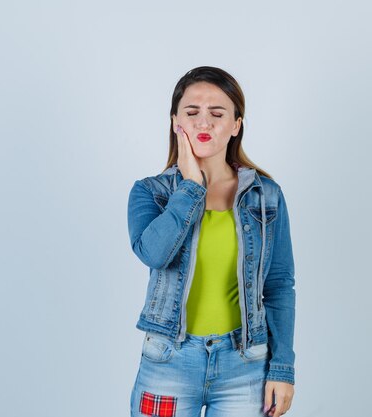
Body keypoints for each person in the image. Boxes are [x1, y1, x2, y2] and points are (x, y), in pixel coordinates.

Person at [127, 66, 296, 417]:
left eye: (217, 114)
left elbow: (279, 286)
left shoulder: (265, 195)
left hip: (246, 366)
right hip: (168, 361)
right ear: (176, 121)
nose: (204, 123)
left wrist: (282, 369)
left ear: (236, 125)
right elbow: (154, 254)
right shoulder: (150, 193)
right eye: (192, 113)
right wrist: (191, 186)